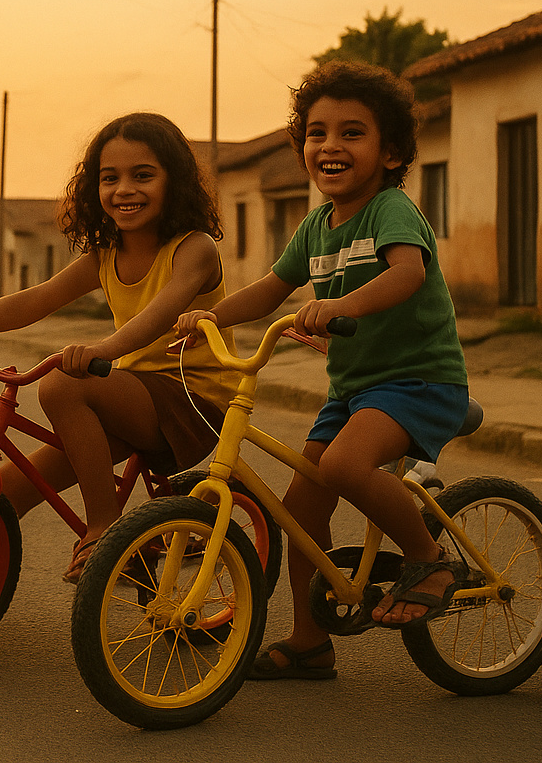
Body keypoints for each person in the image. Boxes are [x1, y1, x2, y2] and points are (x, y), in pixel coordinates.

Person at [176, 59, 469, 681]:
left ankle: (429, 557)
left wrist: (339, 304)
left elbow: (407, 273)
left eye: (351, 133)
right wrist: (207, 316)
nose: (330, 145)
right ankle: (310, 643)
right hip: (356, 391)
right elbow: (269, 290)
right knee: (301, 512)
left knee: (342, 465)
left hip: (420, 383)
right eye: (316, 132)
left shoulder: (390, 210)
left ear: (390, 153)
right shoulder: (315, 227)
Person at [0, 112, 241, 583]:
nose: (124, 190)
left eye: (143, 176)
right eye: (109, 178)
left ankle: (104, 528)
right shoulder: (106, 254)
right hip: (133, 397)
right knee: (13, 487)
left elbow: (160, 315)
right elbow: (38, 298)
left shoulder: (194, 249)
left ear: (174, 182)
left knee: (62, 387)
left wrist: (107, 349)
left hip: (192, 401)